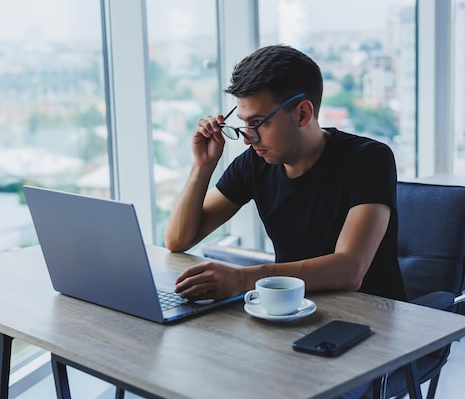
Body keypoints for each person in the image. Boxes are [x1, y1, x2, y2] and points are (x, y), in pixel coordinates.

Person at [164, 44, 406, 304]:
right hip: (289, 310)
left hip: (370, 320)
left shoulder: (368, 160)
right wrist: (202, 166)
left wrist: (243, 279)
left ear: (302, 113)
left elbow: (350, 269)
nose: (248, 138)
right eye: (244, 123)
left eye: (257, 123)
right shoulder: (254, 163)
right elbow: (178, 240)